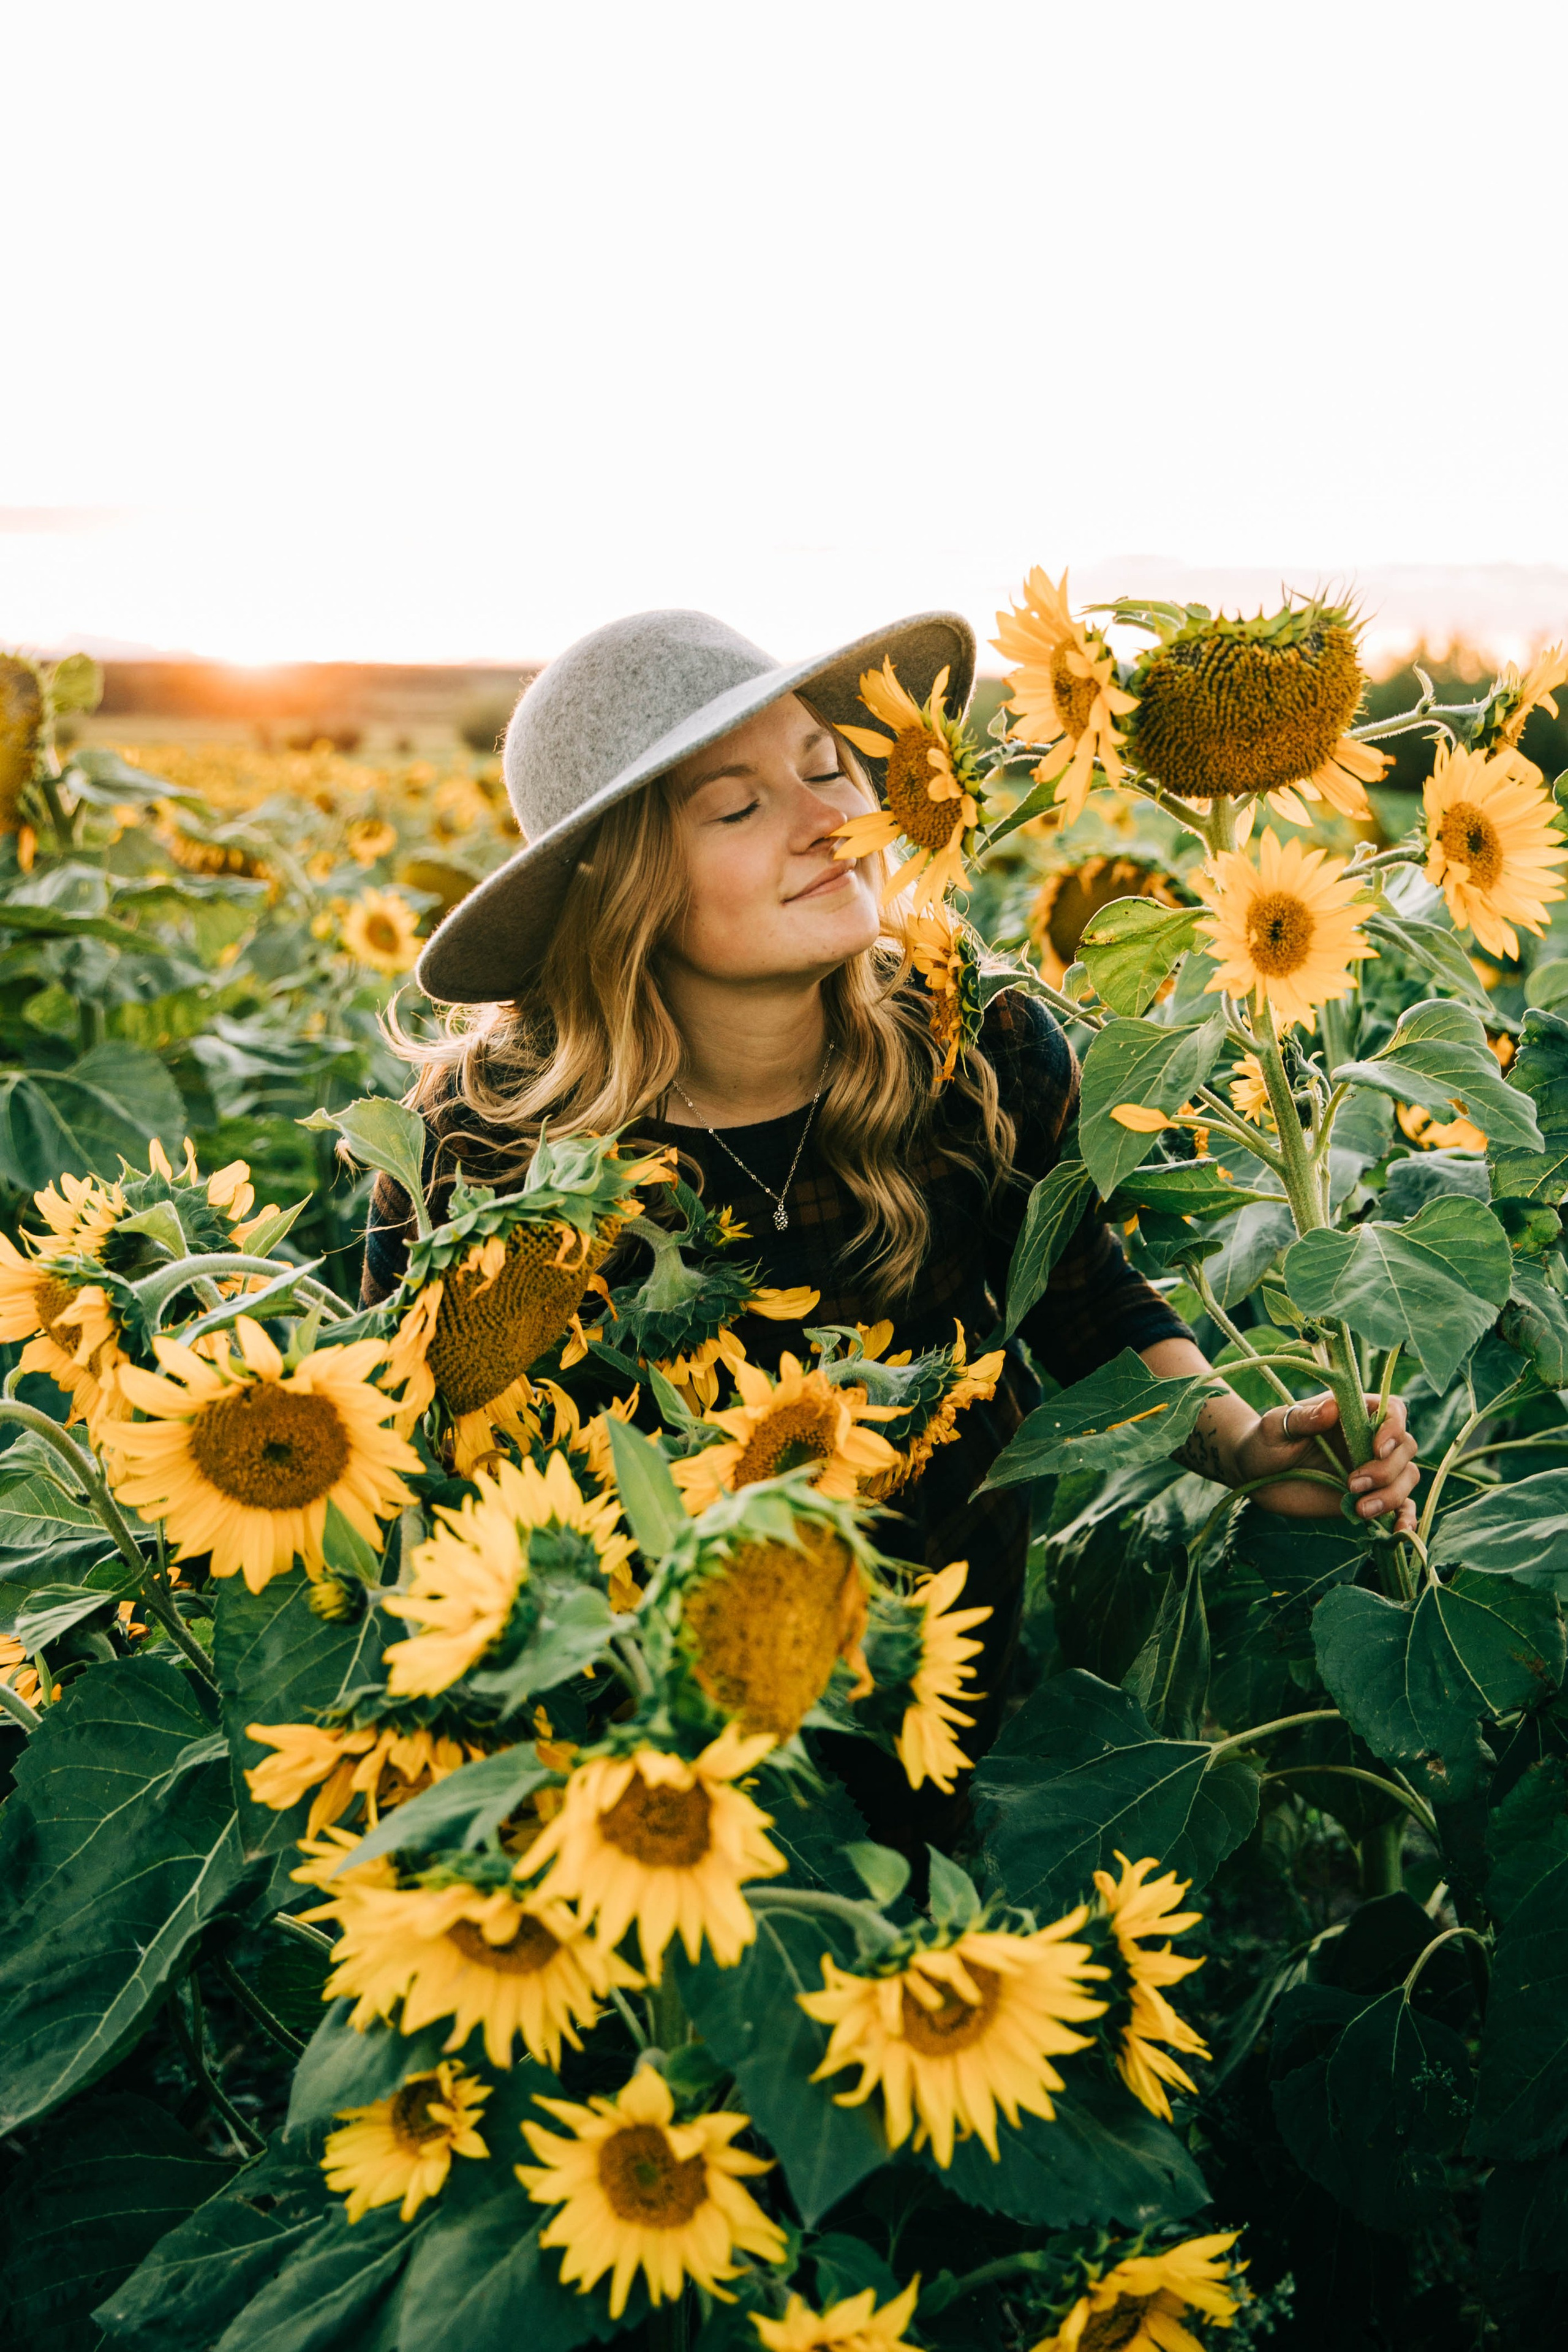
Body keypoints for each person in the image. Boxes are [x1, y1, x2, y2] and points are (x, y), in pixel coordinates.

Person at [361, 607, 1419, 1850]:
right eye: (737, 806)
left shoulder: (973, 1043)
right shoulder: (487, 1141)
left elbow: (1075, 1291)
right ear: (617, 882)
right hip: (627, 1740)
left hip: (939, 1680)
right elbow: (421, 1454)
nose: (833, 822)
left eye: (828, 768)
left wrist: (1237, 1441)